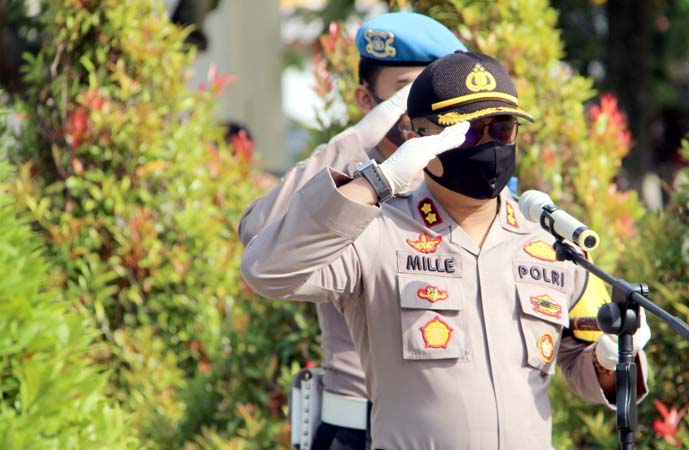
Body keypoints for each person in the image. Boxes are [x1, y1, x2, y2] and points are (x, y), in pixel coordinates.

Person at [242, 51, 651, 450]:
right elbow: (267, 269)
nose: (490, 144)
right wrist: (376, 182)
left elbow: (585, 365)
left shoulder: (546, 244)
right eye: (469, 132)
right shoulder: (375, 233)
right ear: (418, 139)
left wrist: (609, 359)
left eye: (502, 129)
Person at [238, 12, 466, 450]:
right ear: (367, 99)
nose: (423, 104)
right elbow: (259, 231)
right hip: (353, 426)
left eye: (433, 89)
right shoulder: (343, 174)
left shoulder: (467, 181)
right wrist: (358, 141)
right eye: (406, 91)